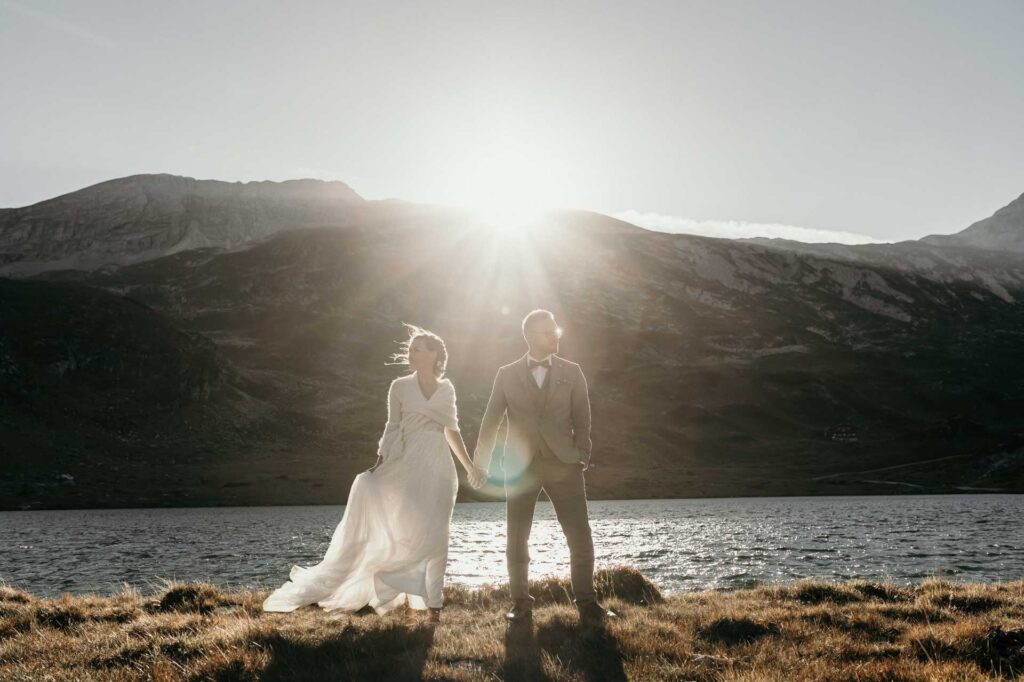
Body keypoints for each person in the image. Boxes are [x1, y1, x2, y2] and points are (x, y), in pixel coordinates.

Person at [263, 324, 484, 623]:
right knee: (410, 533)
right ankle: (410, 600)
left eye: (418, 349)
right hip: (407, 465)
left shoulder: (447, 389)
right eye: (411, 349)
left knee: (437, 536)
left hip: (440, 470)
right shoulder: (400, 386)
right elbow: (393, 426)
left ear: (434, 355)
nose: (411, 353)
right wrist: (380, 462)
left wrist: (469, 466)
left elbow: (451, 430)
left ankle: (434, 607)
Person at [470, 309, 617, 625]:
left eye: (556, 331)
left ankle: (587, 602)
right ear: (530, 336)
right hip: (519, 468)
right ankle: (520, 603)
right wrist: (480, 463)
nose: (555, 336)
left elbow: (583, 417)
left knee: (579, 534)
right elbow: (490, 421)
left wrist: (583, 454)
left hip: (565, 464)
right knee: (517, 535)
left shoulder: (572, 371)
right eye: (548, 332)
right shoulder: (506, 374)